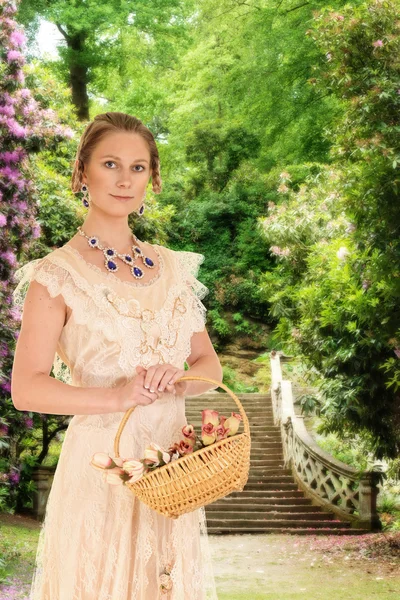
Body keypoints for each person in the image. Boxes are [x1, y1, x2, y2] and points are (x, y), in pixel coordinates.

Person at [11, 112, 222, 600]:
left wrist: (178, 380)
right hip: (101, 474)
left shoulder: (174, 269)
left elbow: (209, 367)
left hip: (174, 470)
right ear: (83, 171)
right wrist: (119, 395)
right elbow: (27, 387)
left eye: (139, 167)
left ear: (152, 177)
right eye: (111, 164)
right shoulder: (55, 276)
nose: (125, 179)